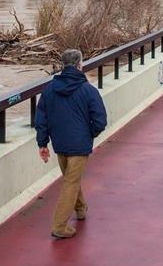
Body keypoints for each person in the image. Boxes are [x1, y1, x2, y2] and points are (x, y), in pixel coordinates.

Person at [35, 49, 108, 239]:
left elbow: (41, 118)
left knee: (70, 178)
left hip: (59, 144)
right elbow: (100, 120)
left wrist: (42, 143)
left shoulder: (49, 90)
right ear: (79, 65)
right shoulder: (88, 90)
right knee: (71, 181)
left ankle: (81, 209)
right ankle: (59, 226)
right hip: (79, 144)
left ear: (62, 64)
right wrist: (88, 135)